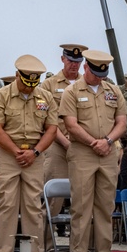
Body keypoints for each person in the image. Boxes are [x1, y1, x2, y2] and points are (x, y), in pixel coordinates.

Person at [0, 55, 57, 252]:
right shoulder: (1, 96)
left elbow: (52, 129)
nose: (29, 88)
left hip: (34, 155)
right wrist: (17, 151)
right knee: (7, 203)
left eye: (34, 84)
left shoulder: (45, 97)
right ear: (17, 75)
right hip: (7, 155)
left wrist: (34, 152)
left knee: (33, 205)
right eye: (26, 83)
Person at [59, 49, 127, 252]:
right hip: (82, 153)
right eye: (95, 73)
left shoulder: (114, 91)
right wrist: (93, 143)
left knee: (105, 205)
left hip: (107, 152)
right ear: (86, 67)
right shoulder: (72, 91)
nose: (99, 78)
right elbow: (70, 124)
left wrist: (107, 141)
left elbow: (121, 123)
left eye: (102, 74)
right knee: (81, 204)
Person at [40, 43, 87, 239]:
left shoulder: (87, 84)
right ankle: (43, 248)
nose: (74, 65)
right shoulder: (49, 85)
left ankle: (81, 250)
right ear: (62, 59)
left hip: (84, 146)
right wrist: (65, 142)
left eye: (78, 61)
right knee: (53, 198)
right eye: (70, 60)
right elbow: (44, 119)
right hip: (57, 146)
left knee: (84, 198)